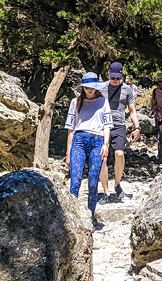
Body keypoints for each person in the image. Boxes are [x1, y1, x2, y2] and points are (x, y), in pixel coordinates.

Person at [64, 72, 112, 216]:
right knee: (75, 179)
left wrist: (106, 144)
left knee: (93, 181)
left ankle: (91, 214)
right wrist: (68, 152)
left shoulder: (103, 102)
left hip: (98, 141)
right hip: (79, 140)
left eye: (92, 87)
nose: (90, 90)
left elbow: (107, 125)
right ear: (83, 88)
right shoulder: (75, 102)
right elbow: (70, 129)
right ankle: (73, 215)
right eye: (87, 87)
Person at [99, 61, 140, 201]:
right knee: (102, 157)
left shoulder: (127, 90)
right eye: (113, 77)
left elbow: (132, 110)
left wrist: (137, 127)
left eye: (118, 78)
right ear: (108, 74)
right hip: (103, 126)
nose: (115, 80)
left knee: (119, 154)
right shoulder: (101, 88)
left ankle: (117, 183)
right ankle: (106, 192)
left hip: (119, 125)